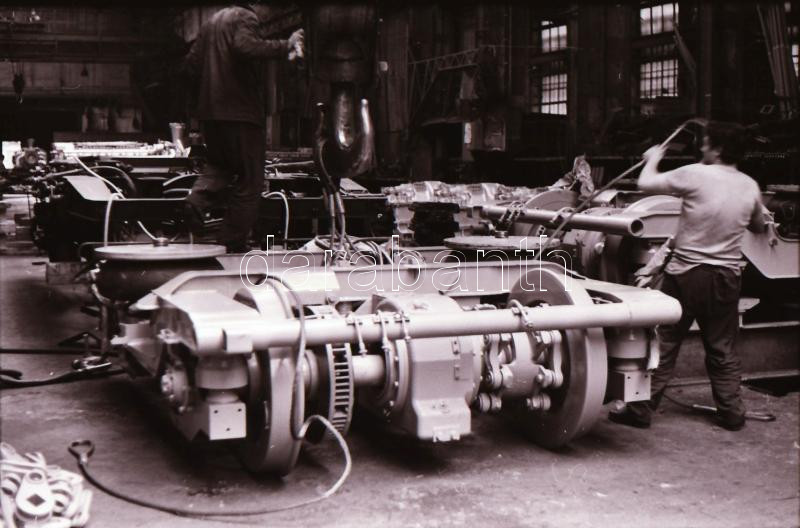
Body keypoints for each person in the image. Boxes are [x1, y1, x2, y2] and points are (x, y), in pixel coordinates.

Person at [609, 121, 768, 431]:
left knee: (665, 342)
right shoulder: (750, 185)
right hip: (726, 277)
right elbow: (759, 226)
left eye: (706, 143)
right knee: (722, 347)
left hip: (686, 275)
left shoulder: (695, 173)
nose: (701, 147)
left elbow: (646, 184)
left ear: (718, 149)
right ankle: (732, 412)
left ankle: (640, 410)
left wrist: (653, 158)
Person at [183, 4, 304, 252]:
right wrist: (286, 45)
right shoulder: (245, 17)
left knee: (220, 166)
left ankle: (196, 200)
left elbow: (190, 66)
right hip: (240, 114)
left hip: (212, 116)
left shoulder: (211, 22)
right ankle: (232, 244)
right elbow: (245, 46)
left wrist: (204, 100)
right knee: (251, 181)